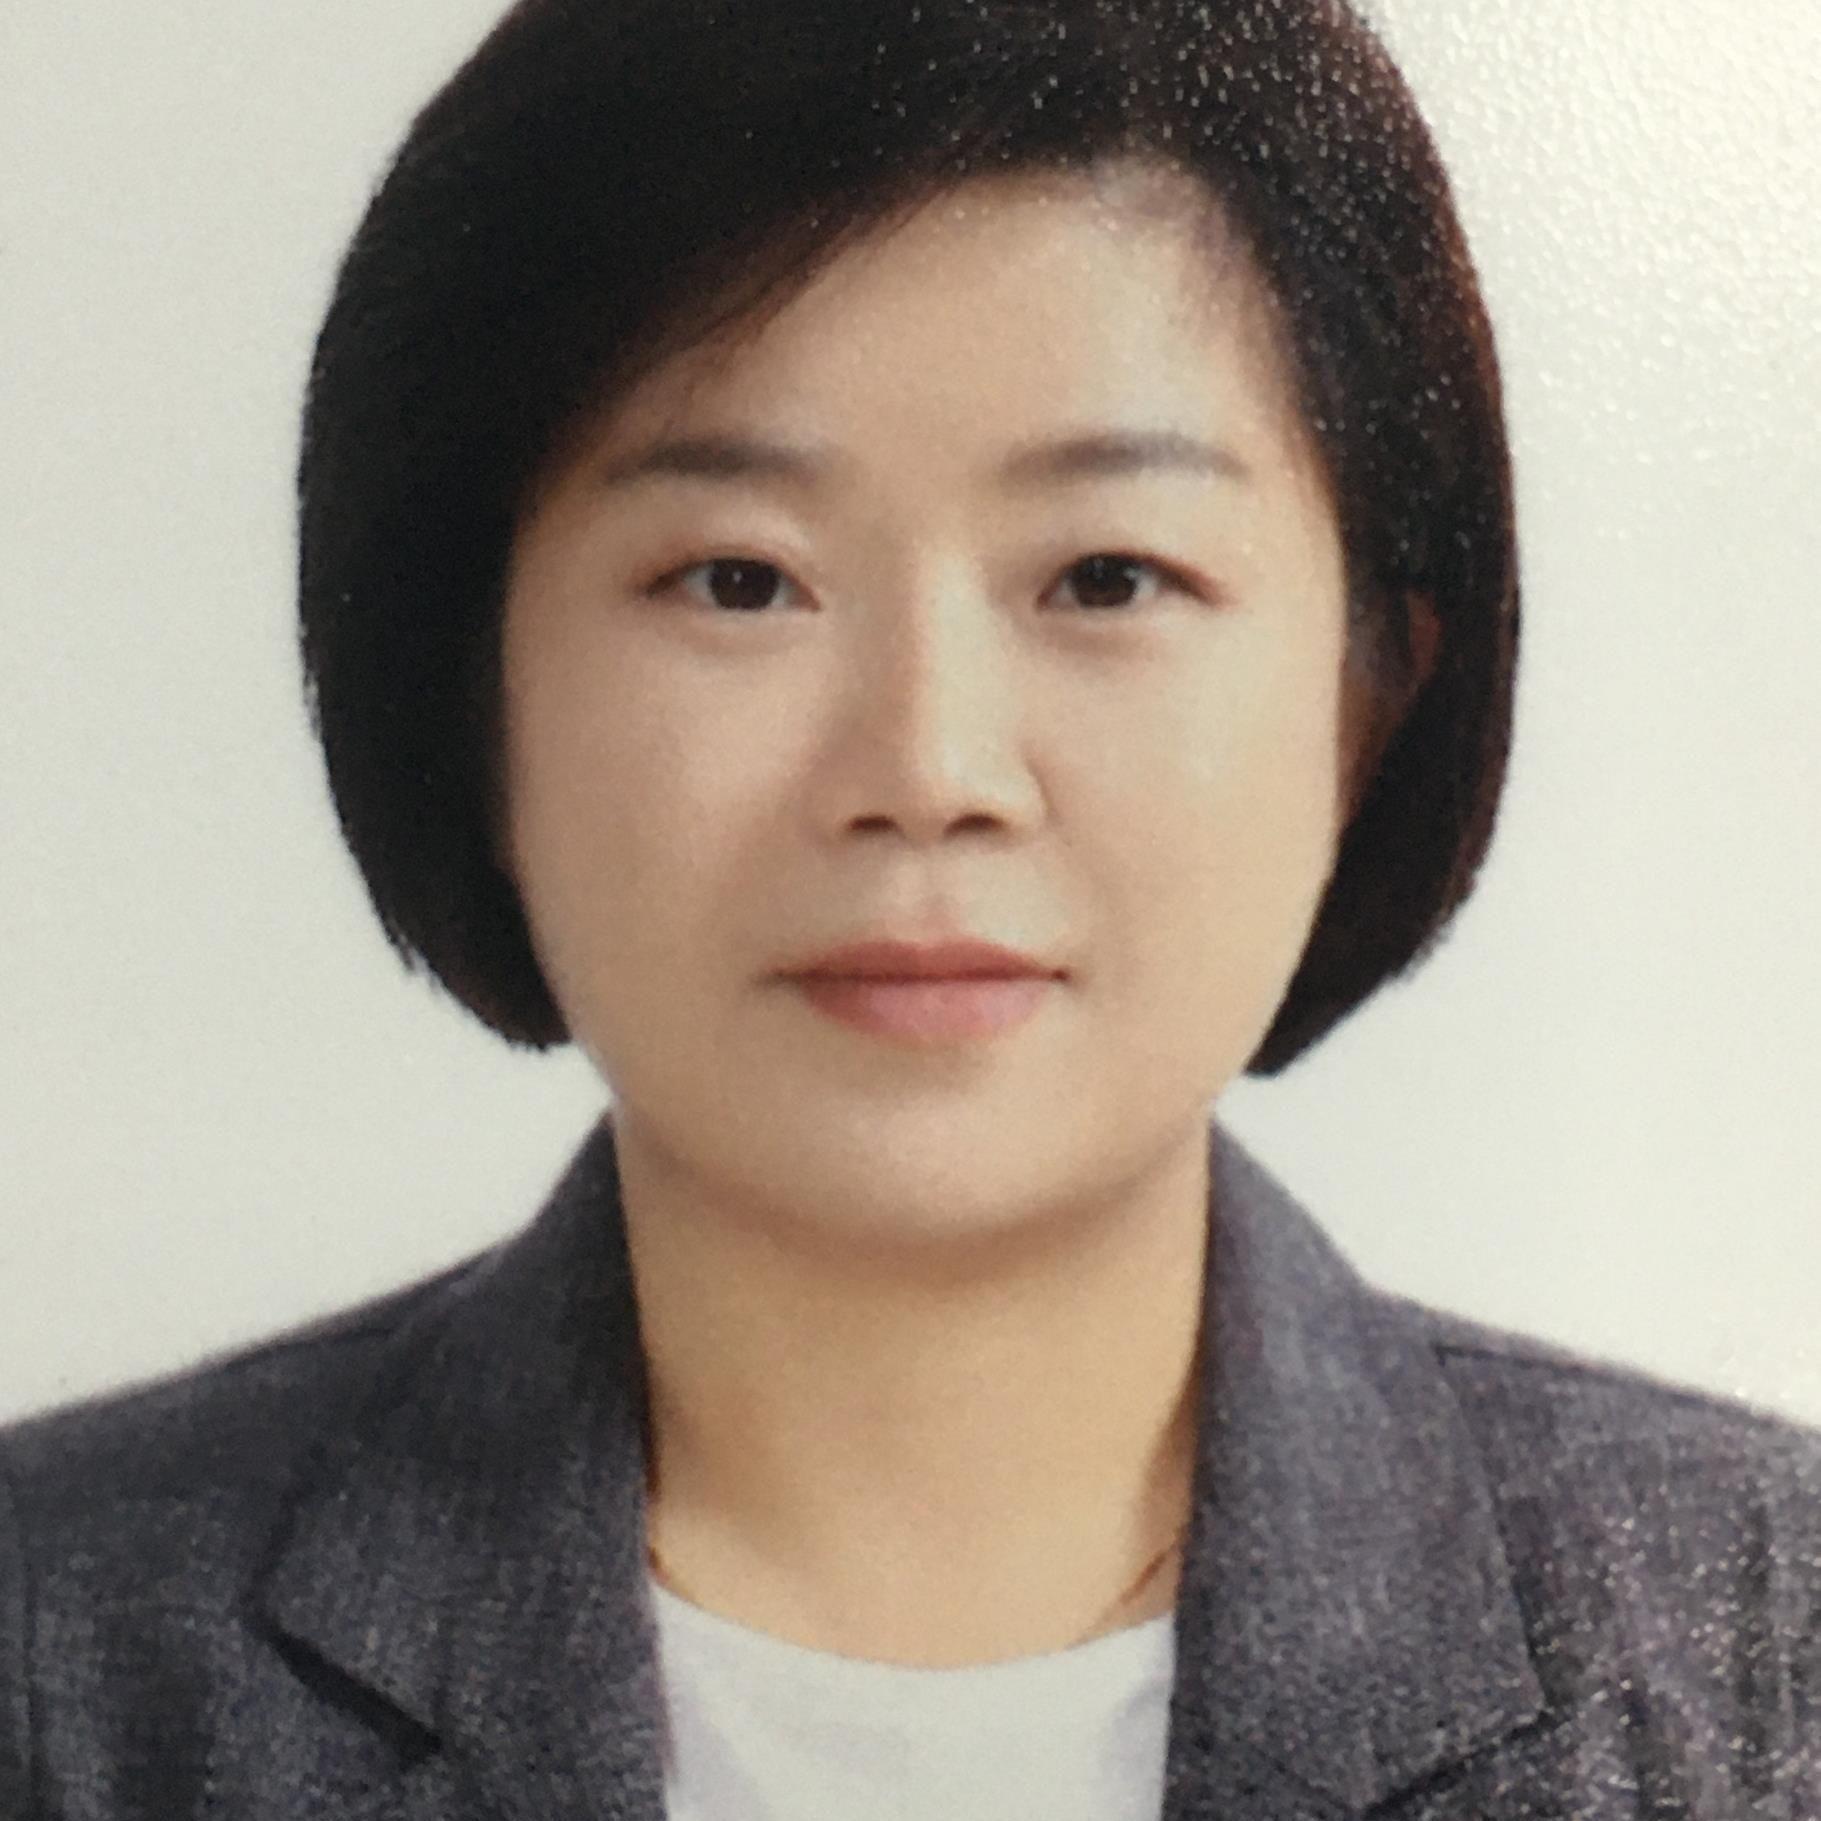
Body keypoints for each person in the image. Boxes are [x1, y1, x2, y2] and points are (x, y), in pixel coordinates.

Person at [3, 0, 1817, 1815]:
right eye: (739, 580)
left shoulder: (1762, 1642)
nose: (929, 765)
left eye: (1106, 576)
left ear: (1369, 693)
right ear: (471, 690)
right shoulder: (59, 1654)